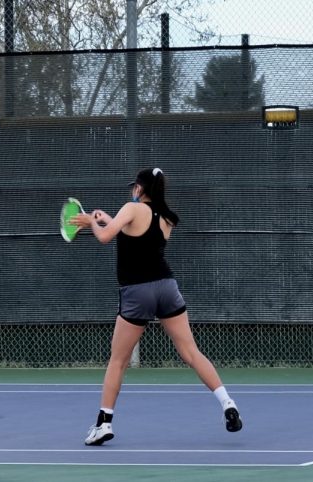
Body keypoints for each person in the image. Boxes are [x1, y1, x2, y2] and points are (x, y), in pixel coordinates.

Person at [70, 167, 242, 446]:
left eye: (134, 187)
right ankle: (228, 404)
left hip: (138, 291)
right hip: (167, 288)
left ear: (140, 189)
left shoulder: (132, 207)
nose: (131, 191)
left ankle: (103, 424)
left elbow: (105, 238)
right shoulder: (166, 219)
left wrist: (92, 221)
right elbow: (137, 239)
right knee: (190, 351)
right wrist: (106, 219)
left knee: (118, 360)